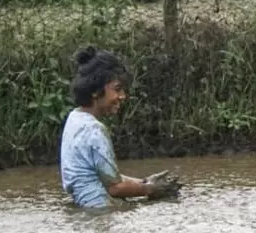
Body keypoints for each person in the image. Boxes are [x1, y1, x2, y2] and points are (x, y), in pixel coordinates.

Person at [59, 46, 180, 208]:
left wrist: (144, 182)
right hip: (101, 208)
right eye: (117, 89)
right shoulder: (94, 130)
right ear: (95, 91)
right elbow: (115, 187)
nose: (123, 96)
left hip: (84, 205)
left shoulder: (74, 119)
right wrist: (150, 188)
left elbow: (107, 177)